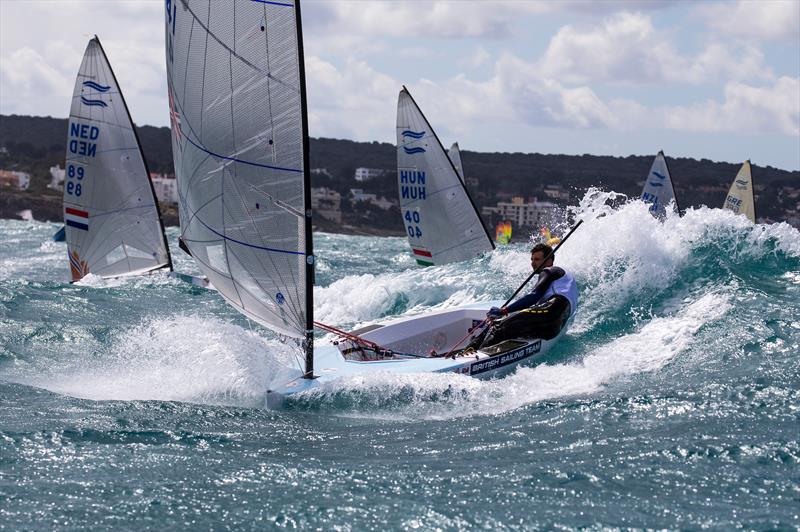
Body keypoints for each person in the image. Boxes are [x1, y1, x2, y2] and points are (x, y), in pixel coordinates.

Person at [477, 243, 578, 348]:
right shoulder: (563, 281)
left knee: (498, 327)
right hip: (556, 326)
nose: (533, 263)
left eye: (537, 259)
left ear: (549, 261)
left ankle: (473, 357)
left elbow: (533, 296)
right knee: (508, 328)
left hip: (551, 313)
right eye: (532, 260)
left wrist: (504, 311)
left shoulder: (550, 270)